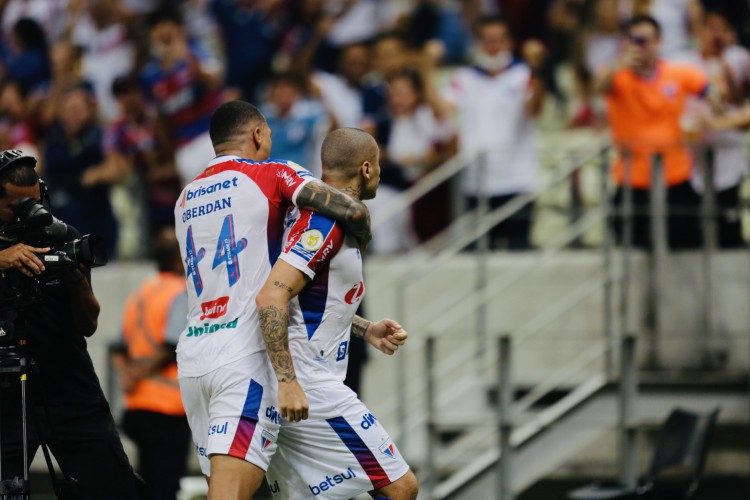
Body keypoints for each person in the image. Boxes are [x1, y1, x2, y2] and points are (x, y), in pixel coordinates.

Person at [174, 100, 371, 500]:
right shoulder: (272, 172)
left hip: (194, 357)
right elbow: (344, 207)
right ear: (257, 135)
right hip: (243, 356)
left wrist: (362, 326)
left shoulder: (185, 198)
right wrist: (361, 226)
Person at [257, 127, 419, 499]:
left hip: (301, 380)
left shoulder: (316, 219)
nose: (379, 171)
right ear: (366, 169)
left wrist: (364, 329)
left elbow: (308, 299)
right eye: (377, 164)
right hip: (308, 383)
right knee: (400, 487)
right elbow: (271, 298)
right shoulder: (323, 224)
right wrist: (289, 380)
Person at [0, 149, 141, 499]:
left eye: (35, 202)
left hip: (69, 386)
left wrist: (78, 282)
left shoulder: (61, 236)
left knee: (115, 490)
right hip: (6, 395)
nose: (32, 213)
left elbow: (89, 324)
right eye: (18, 206)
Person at [595, 14, 710, 249]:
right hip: (632, 178)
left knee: (686, 247)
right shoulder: (616, 76)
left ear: (658, 42)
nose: (639, 47)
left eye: (644, 40)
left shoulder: (678, 73)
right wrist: (619, 64)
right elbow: (598, 88)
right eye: (633, 40)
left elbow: (712, 92)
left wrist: (717, 116)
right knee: (633, 249)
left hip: (675, 176)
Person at [439, 15, 546, 250]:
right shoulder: (463, 78)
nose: (493, 47)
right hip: (476, 182)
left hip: (518, 180)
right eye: (488, 40)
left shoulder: (525, 75)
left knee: (518, 253)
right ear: (478, 43)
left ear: (509, 43)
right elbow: (441, 109)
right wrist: (424, 67)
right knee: (477, 260)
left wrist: (538, 69)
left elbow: (534, 109)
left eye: (499, 40)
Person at [110, 228, 190, 500]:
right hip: (168, 406)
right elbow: (172, 345)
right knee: (166, 487)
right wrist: (143, 371)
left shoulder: (142, 292)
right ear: (180, 260)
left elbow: (117, 348)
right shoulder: (181, 292)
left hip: (137, 406)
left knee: (146, 484)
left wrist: (129, 375)